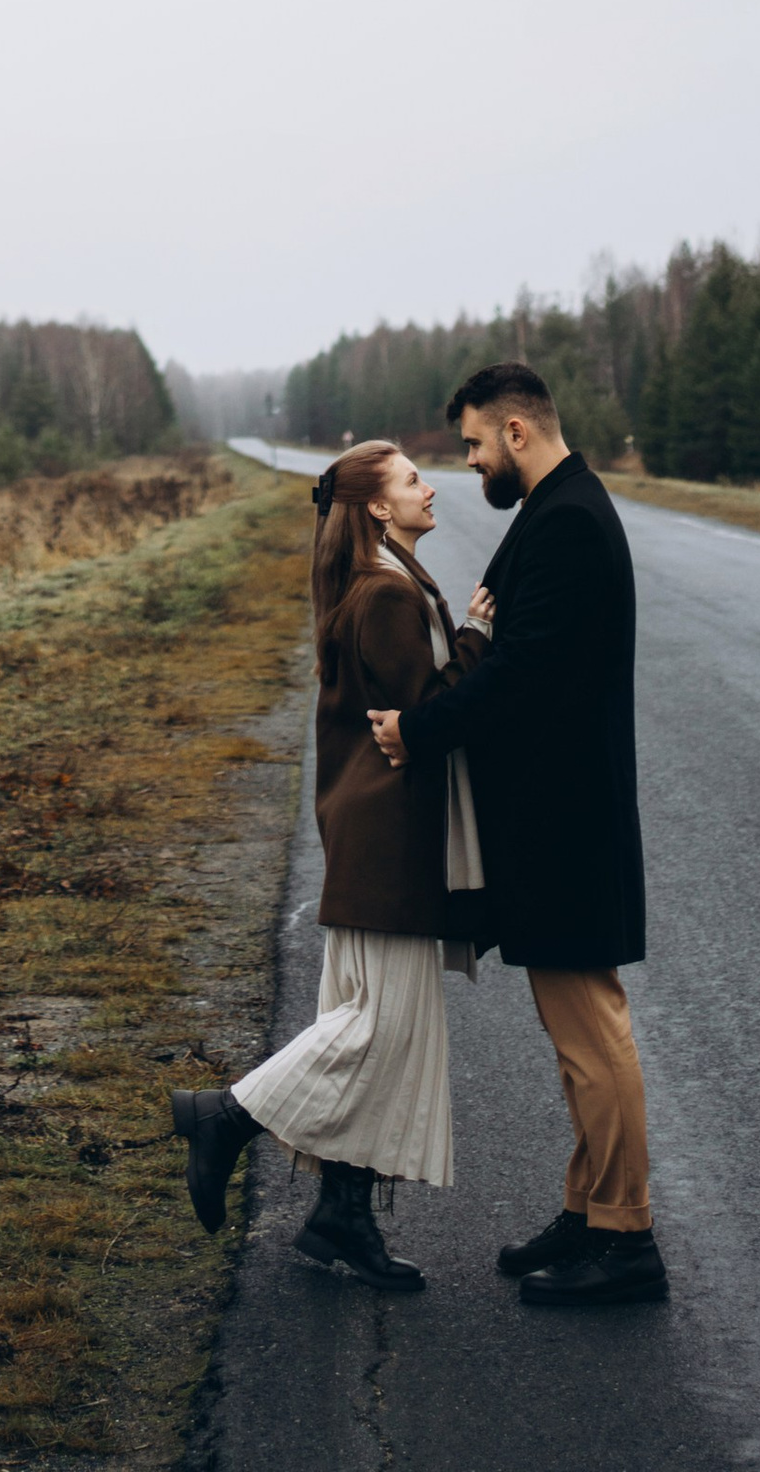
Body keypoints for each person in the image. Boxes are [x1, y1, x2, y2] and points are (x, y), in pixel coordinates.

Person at [369, 359, 666, 1309]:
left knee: (592, 1031)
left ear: (518, 434)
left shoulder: (569, 523)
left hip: (568, 823)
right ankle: (588, 1212)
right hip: (554, 820)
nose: (469, 463)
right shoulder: (556, 513)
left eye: (473, 444)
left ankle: (625, 1243)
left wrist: (419, 729)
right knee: (573, 1031)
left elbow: (522, 674)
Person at [173, 438, 491, 1288]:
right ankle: (223, 1117)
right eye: (415, 480)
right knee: (378, 1029)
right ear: (379, 509)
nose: (433, 488)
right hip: (389, 844)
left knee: (375, 1028)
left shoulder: (383, 583)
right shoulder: (386, 595)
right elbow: (428, 715)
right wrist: (477, 636)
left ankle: (340, 1217)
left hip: (372, 838)